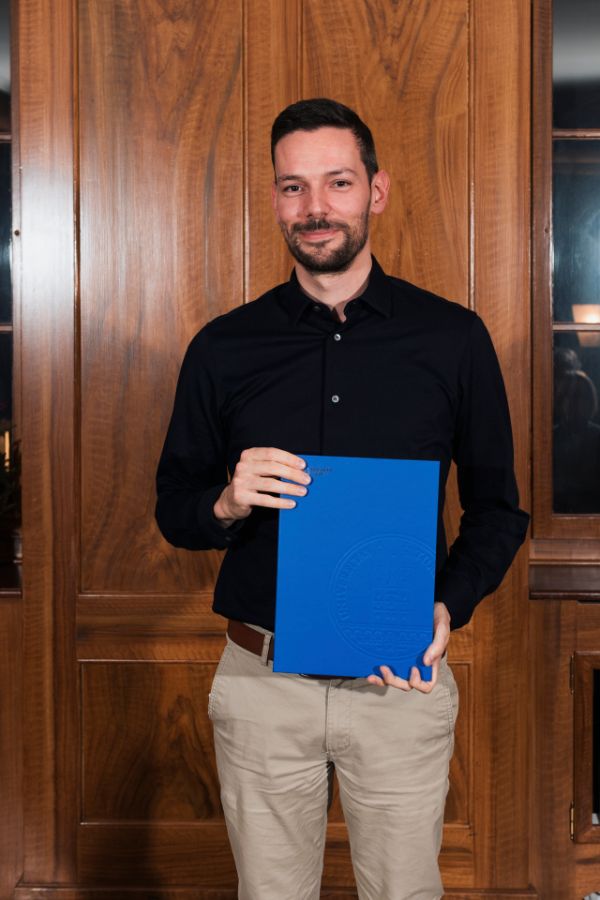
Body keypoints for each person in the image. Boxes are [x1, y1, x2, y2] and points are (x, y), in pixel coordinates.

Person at [156, 98, 529, 900]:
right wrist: (226, 502)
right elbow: (173, 507)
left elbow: (500, 511)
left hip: (397, 682)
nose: (315, 208)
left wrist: (448, 605)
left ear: (376, 191)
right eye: (294, 187)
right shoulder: (223, 347)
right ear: (275, 199)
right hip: (261, 684)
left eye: (338, 182)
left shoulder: (453, 339)